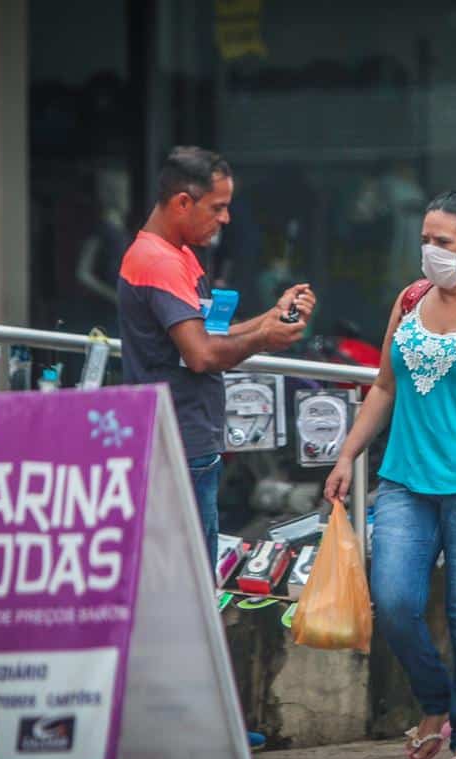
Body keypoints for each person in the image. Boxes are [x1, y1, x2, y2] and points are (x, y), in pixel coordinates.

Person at [324, 191, 456, 759]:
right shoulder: (410, 300)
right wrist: (348, 454)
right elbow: (385, 387)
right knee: (392, 601)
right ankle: (435, 700)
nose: (430, 252)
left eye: (442, 242)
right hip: (404, 483)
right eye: (425, 240)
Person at [119, 146, 316, 567]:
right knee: (187, 583)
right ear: (183, 202)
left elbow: (208, 333)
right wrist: (265, 336)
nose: (225, 218)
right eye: (218, 207)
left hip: (192, 443)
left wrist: (270, 318)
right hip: (177, 447)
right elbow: (202, 355)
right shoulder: (157, 263)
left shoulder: (181, 255)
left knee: (194, 579)